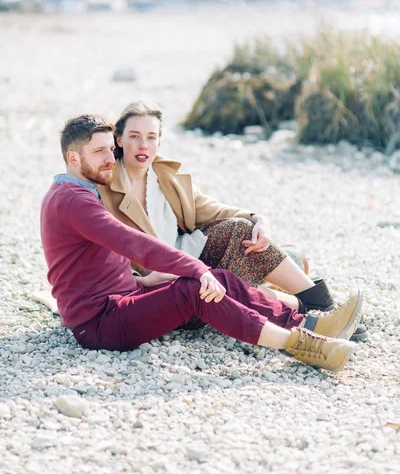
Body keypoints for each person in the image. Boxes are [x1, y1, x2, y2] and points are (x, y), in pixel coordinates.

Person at [40, 114, 364, 372]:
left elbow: (100, 262)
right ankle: (298, 343)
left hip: (123, 299)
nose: (110, 158)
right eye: (99, 152)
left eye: (110, 149)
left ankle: (312, 322)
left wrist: (143, 280)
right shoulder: (73, 200)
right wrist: (194, 268)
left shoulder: (80, 194)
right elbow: (132, 242)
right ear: (73, 157)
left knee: (218, 280)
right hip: (98, 324)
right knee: (197, 289)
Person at [99, 100, 367, 340]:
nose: (143, 145)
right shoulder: (104, 188)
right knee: (230, 283)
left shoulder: (165, 176)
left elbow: (213, 210)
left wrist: (257, 219)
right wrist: (140, 279)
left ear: (160, 141)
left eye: (151, 137)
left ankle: (324, 306)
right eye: (134, 136)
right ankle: (315, 314)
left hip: (188, 260)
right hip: (159, 284)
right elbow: (98, 254)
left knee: (241, 231)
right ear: (119, 140)